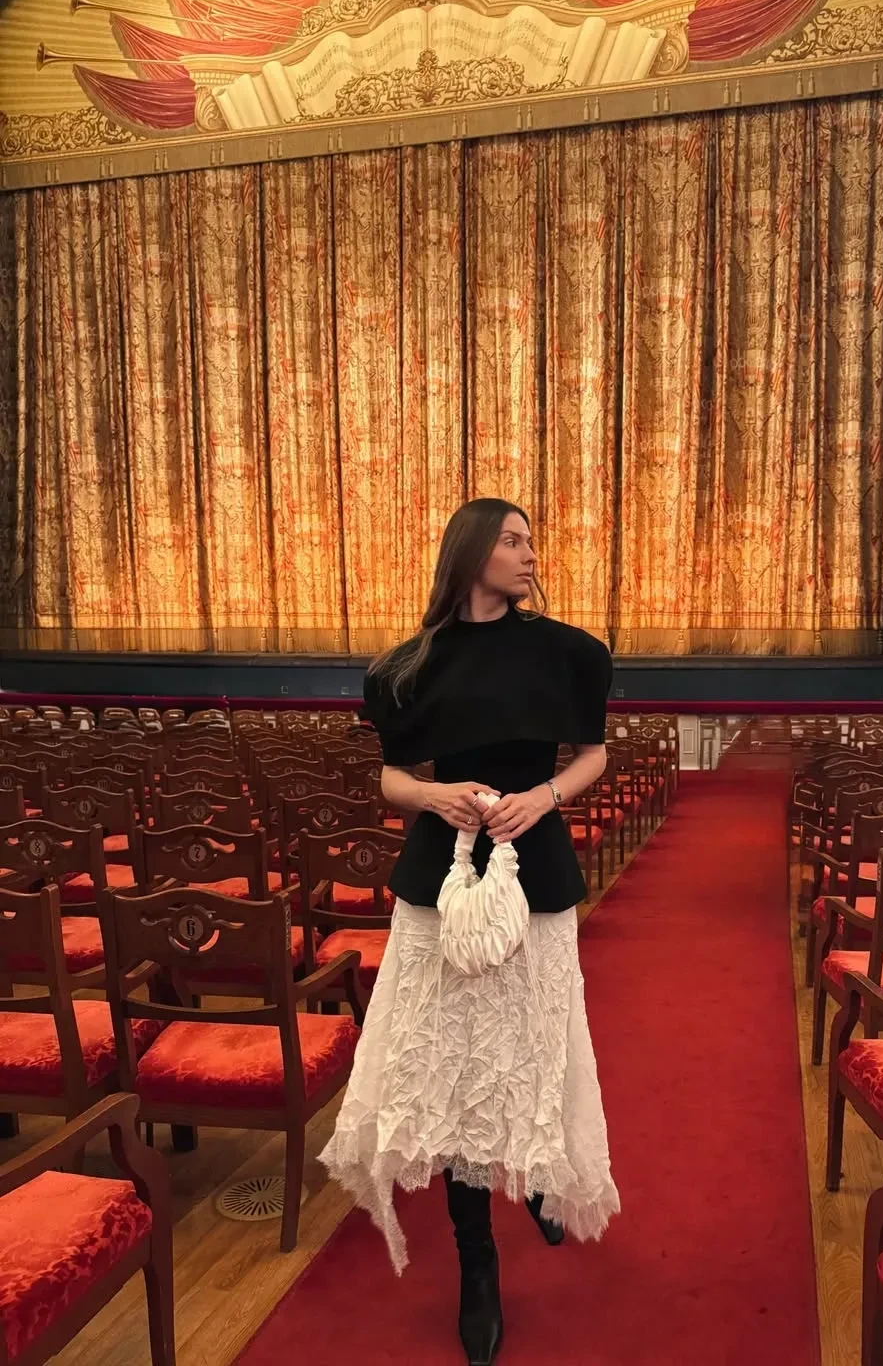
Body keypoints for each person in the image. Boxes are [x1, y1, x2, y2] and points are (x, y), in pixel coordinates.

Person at [320, 497, 620, 1366]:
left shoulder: (570, 652)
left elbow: (594, 754)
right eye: (513, 540)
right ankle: (477, 1263)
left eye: (530, 541)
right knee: (451, 1072)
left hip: (534, 872)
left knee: (531, 1047)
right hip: (438, 882)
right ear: (472, 551)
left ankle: (533, 1175)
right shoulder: (406, 666)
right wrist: (431, 794)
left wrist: (545, 798)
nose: (530, 554)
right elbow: (391, 777)